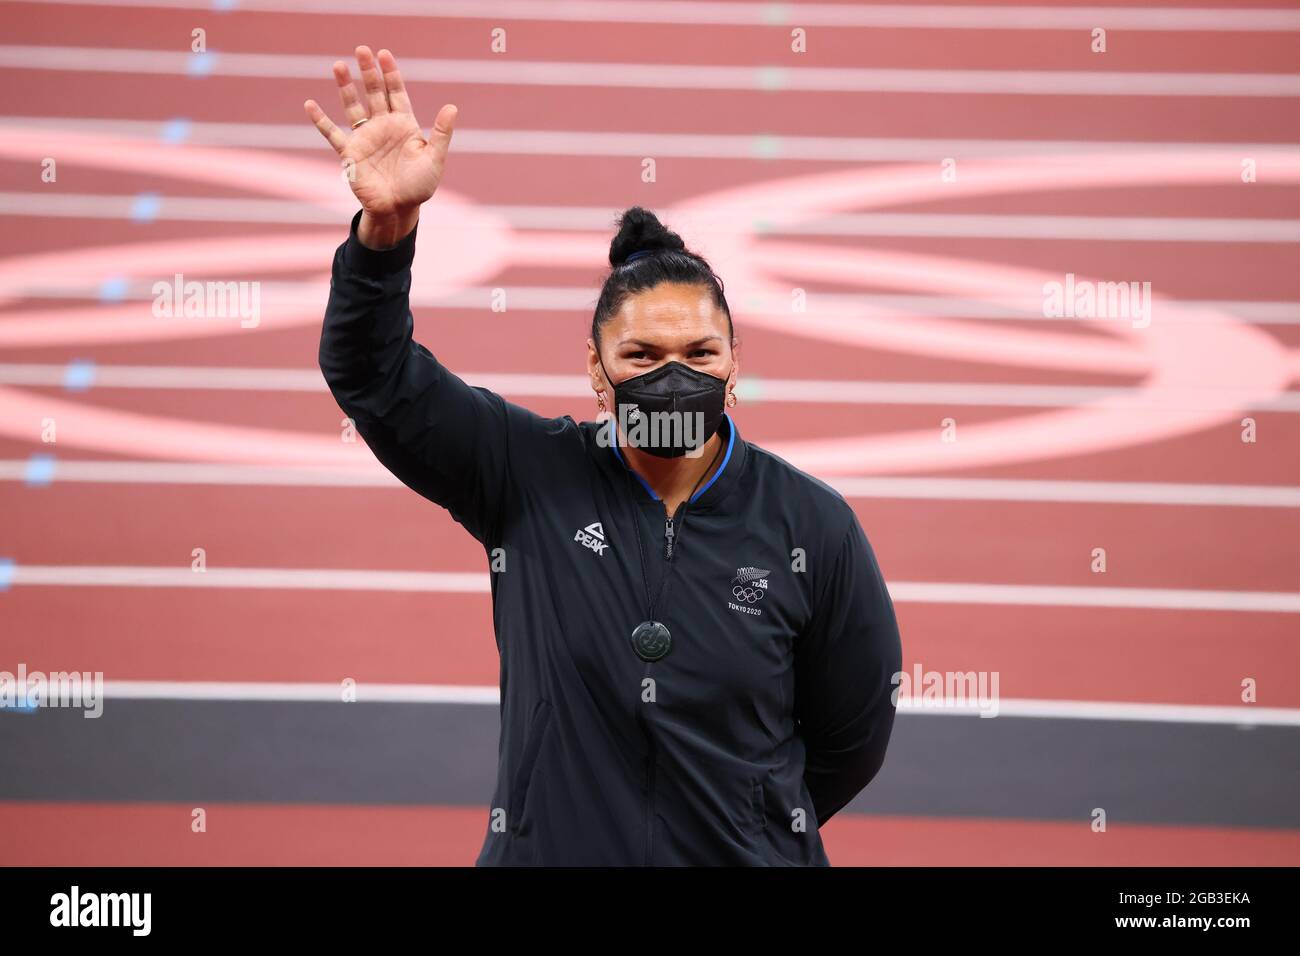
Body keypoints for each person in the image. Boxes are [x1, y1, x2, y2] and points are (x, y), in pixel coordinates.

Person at [305, 46, 902, 866]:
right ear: (595, 369)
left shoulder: (812, 526)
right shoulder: (525, 473)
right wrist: (386, 237)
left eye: (699, 352)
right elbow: (372, 376)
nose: (673, 378)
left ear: (736, 365)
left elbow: (851, 740)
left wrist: (750, 829)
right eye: (641, 357)